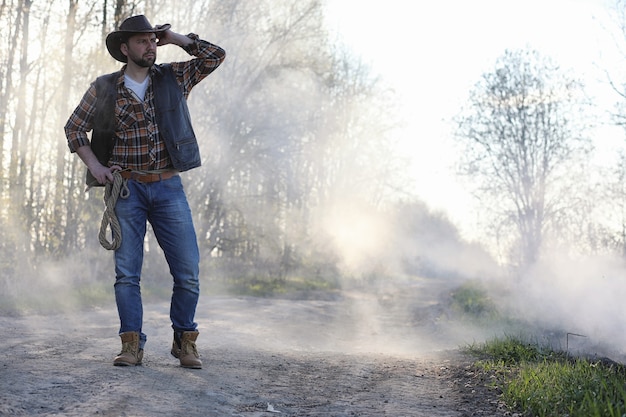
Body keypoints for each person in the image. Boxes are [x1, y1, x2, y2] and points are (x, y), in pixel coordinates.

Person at [64, 15, 226, 368]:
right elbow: (74, 128)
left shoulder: (174, 78)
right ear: (125, 48)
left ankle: (185, 341)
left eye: (153, 40)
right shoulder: (104, 88)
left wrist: (176, 38)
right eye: (142, 41)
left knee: (188, 271)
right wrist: (95, 166)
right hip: (126, 191)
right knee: (127, 274)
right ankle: (131, 345)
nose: (150, 46)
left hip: (168, 186)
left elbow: (214, 56)